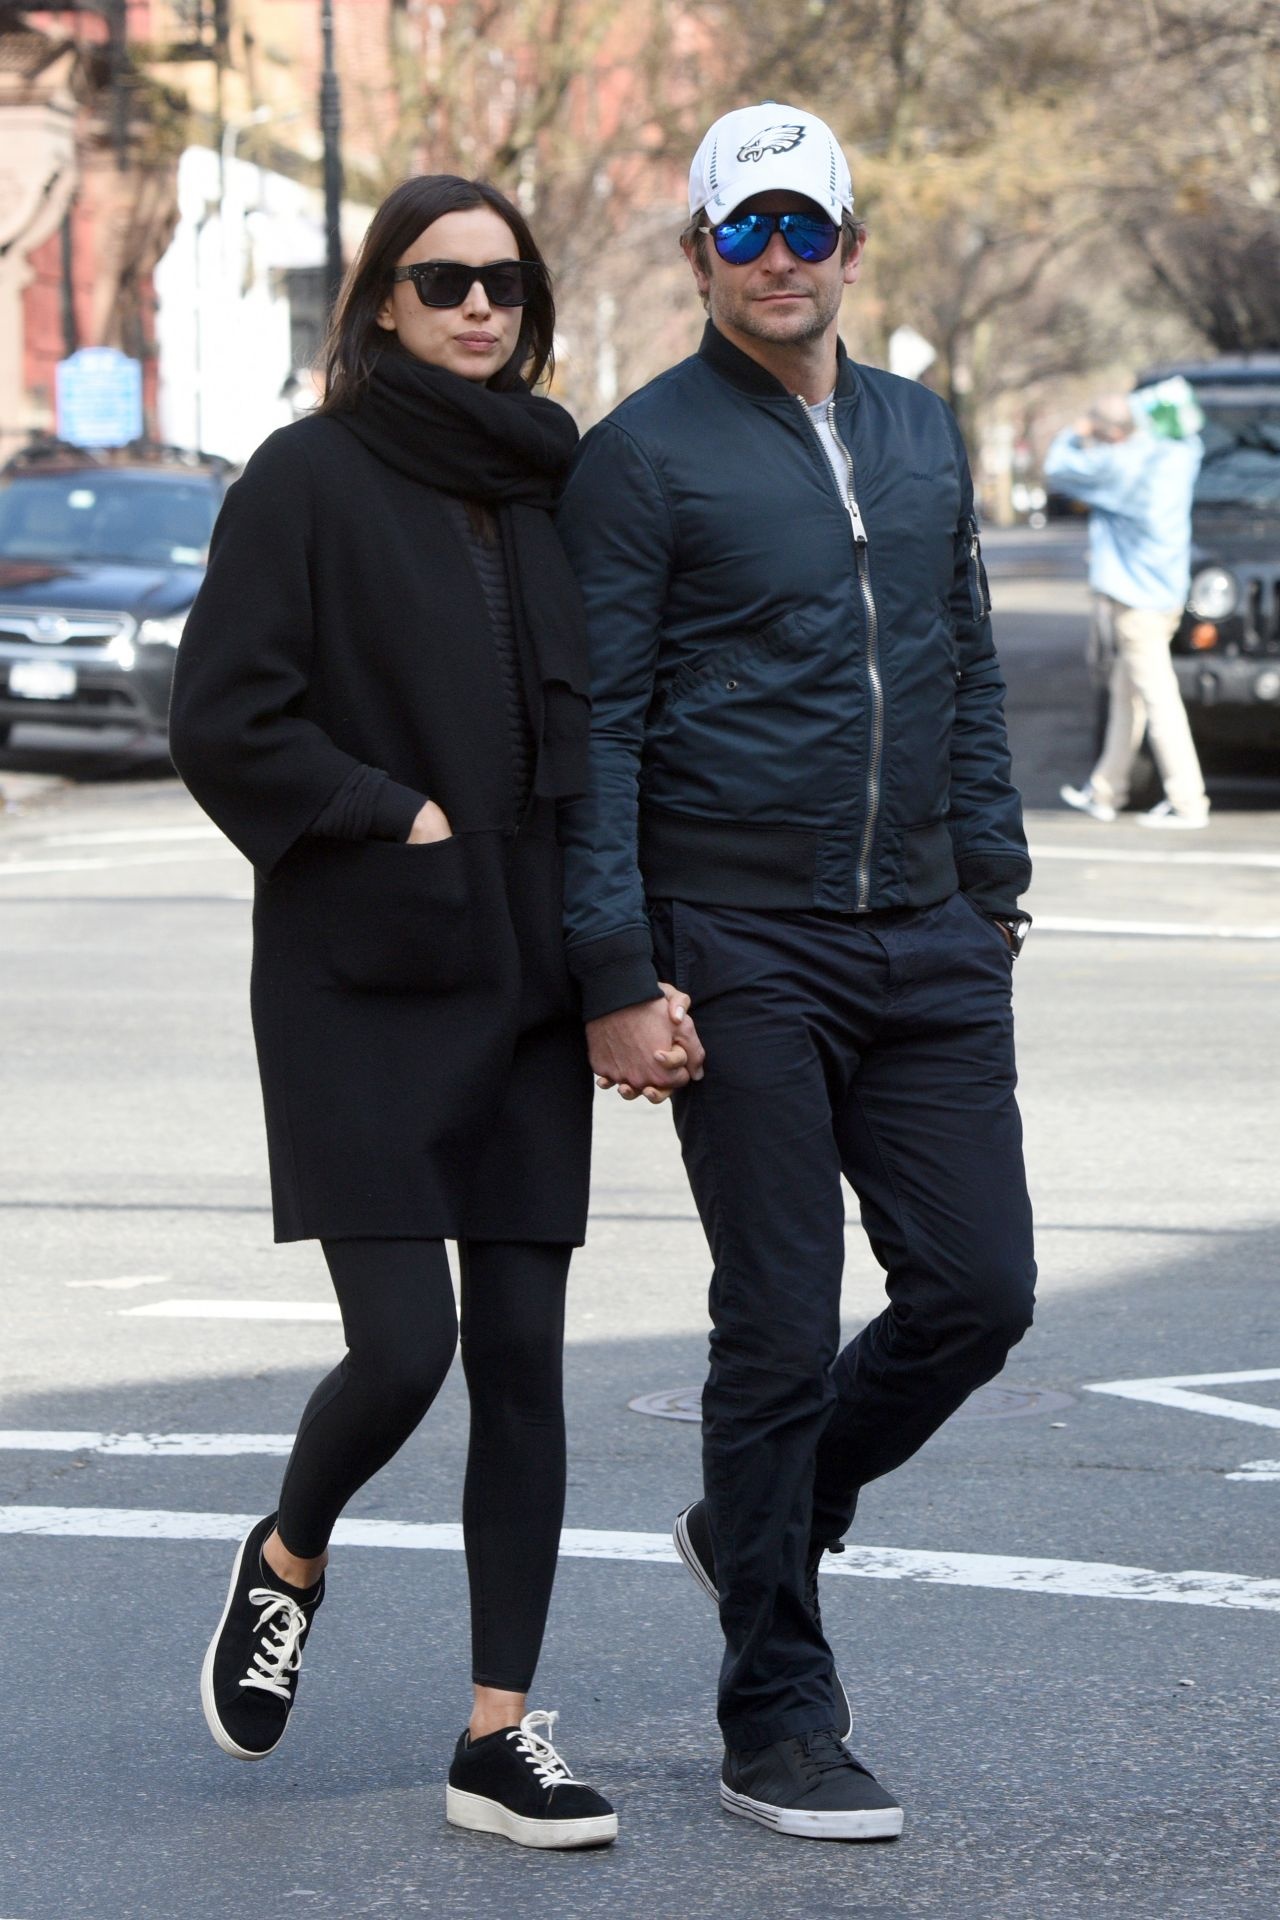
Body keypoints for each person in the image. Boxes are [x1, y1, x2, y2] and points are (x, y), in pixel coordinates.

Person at [170, 174, 690, 1850]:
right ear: (381, 304)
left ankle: (499, 1732)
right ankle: (289, 1554)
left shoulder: (563, 480)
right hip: (366, 969)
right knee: (407, 1349)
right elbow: (223, 718)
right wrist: (389, 813)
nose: (479, 306)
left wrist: (625, 964)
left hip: (534, 970)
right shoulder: (305, 476)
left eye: (503, 282)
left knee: (527, 1357)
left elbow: (620, 735)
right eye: (441, 280)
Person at [555, 103, 1037, 1843]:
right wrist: (615, 963)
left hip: (925, 936)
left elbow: (964, 663)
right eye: (741, 233)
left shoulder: (924, 431)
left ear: (850, 241)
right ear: (700, 252)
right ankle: (778, 1709)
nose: (776, 261)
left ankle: (764, 1512)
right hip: (737, 939)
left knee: (981, 1290)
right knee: (775, 1322)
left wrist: (994, 890)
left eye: (803, 229)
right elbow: (593, 733)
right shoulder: (642, 455)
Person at [1048, 388, 1208, 828]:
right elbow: (1187, 428)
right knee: (1127, 695)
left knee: (1159, 700)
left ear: (1112, 434)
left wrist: (1077, 430)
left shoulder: (1115, 466)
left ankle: (1188, 800)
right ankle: (1105, 791)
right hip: (1168, 594)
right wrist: (1132, 415)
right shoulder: (1176, 456)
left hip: (1135, 603)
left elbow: (1057, 468)